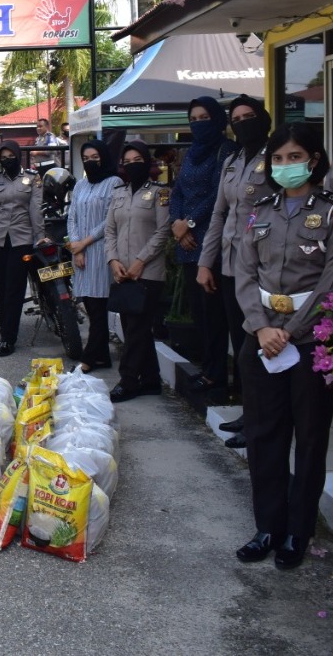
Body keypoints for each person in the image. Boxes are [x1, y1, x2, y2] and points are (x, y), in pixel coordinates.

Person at [233, 123, 333, 571]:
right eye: (278, 158)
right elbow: (244, 273)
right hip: (263, 341)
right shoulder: (260, 211)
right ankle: (267, 527)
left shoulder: (330, 212)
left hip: (310, 341)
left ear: (313, 160)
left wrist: (290, 329)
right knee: (263, 437)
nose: (285, 166)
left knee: (309, 439)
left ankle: (298, 530)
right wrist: (260, 328)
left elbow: (330, 279)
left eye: (295, 157)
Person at [198, 95, 273, 448]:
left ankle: (265, 418)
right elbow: (218, 215)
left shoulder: (277, 157)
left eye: (249, 116)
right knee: (241, 342)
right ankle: (249, 411)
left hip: (265, 269)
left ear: (263, 118)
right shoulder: (232, 161)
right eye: (237, 118)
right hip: (230, 266)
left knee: (259, 347)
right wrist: (204, 262)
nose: (243, 122)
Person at [169, 97, 235, 392]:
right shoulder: (191, 153)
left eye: (204, 117)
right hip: (187, 243)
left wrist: (189, 223)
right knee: (199, 313)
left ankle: (218, 374)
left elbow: (218, 195)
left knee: (215, 314)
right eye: (193, 118)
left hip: (212, 241)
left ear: (219, 120)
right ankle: (207, 368)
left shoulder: (226, 151)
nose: (198, 123)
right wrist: (176, 225)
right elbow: (177, 192)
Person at [105, 141, 171, 403]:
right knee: (133, 327)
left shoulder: (160, 192)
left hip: (148, 273)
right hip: (122, 271)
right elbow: (110, 230)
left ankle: (128, 380)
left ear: (147, 161)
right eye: (128, 161)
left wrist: (140, 261)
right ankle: (152, 380)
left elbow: (163, 231)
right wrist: (113, 260)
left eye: (137, 160)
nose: (133, 165)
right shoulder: (118, 193)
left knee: (136, 329)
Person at [0, 140, 46, 358]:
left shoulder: (32, 179)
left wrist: (40, 237)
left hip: (21, 240)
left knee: (15, 289)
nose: (7, 160)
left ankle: (9, 338)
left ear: (18, 156)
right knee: (1, 288)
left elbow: (35, 211)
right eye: (3, 157)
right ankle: (5, 331)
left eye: (11, 156)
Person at [66, 140, 118, 372]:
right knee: (89, 306)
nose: (90, 161)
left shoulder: (114, 183)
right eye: (86, 158)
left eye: (95, 157)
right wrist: (75, 246)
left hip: (99, 251)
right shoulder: (80, 186)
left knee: (98, 309)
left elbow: (109, 219)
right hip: (80, 253)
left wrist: (84, 244)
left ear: (104, 157)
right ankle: (102, 357)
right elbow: (72, 217)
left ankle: (89, 358)